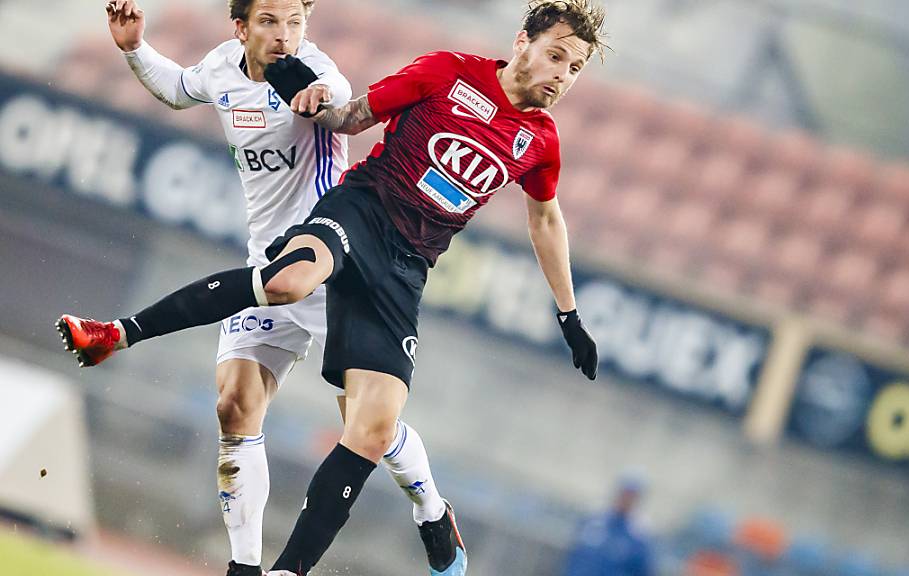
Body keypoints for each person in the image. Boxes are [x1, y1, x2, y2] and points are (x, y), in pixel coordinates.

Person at [62, 0, 606, 573]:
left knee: (371, 430)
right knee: (252, 363)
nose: (561, 77)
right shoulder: (448, 71)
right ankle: (120, 338)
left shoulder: (541, 142)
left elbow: (545, 219)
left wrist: (569, 316)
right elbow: (351, 117)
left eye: (574, 69)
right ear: (523, 41)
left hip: (405, 269)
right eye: (556, 57)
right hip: (356, 215)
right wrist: (315, 101)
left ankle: (422, 511)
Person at [93, 1, 454, 575]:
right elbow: (181, 88)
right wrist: (134, 49)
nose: (285, 35)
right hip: (268, 267)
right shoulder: (221, 67)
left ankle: (431, 509)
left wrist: (316, 96)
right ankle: (244, 566)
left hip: (332, 269)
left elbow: (331, 94)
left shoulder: (313, 68)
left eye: (295, 22)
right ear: (240, 27)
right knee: (234, 405)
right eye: (269, 22)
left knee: (369, 428)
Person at [563, 475, 653, 576]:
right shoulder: (592, 521)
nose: (626, 499)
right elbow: (573, 556)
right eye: (624, 493)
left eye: (631, 496)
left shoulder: (637, 540)